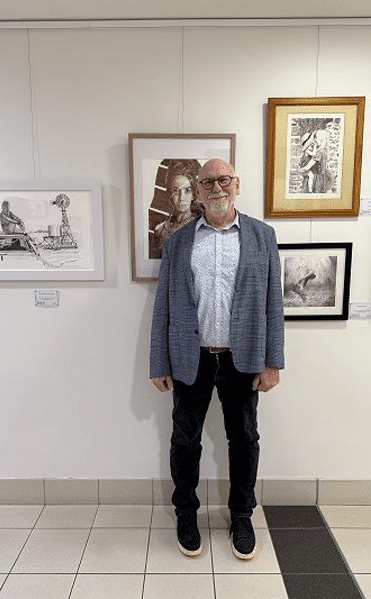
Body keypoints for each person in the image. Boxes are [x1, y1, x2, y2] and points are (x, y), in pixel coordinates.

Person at [150, 158, 285, 560]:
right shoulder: (178, 242)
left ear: (236, 185)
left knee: (244, 439)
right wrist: (159, 363)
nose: (216, 187)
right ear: (198, 190)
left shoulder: (263, 236)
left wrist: (272, 362)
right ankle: (186, 513)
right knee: (184, 440)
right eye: (207, 182)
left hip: (244, 359)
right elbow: (163, 307)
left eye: (223, 180)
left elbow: (273, 305)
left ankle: (241, 515)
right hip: (191, 357)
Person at [150, 159, 202, 258]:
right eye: (176, 191)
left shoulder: (199, 228)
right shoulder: (160, 230)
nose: (181, 197)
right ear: (170, 193)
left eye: (187, 190)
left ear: (194, 195)